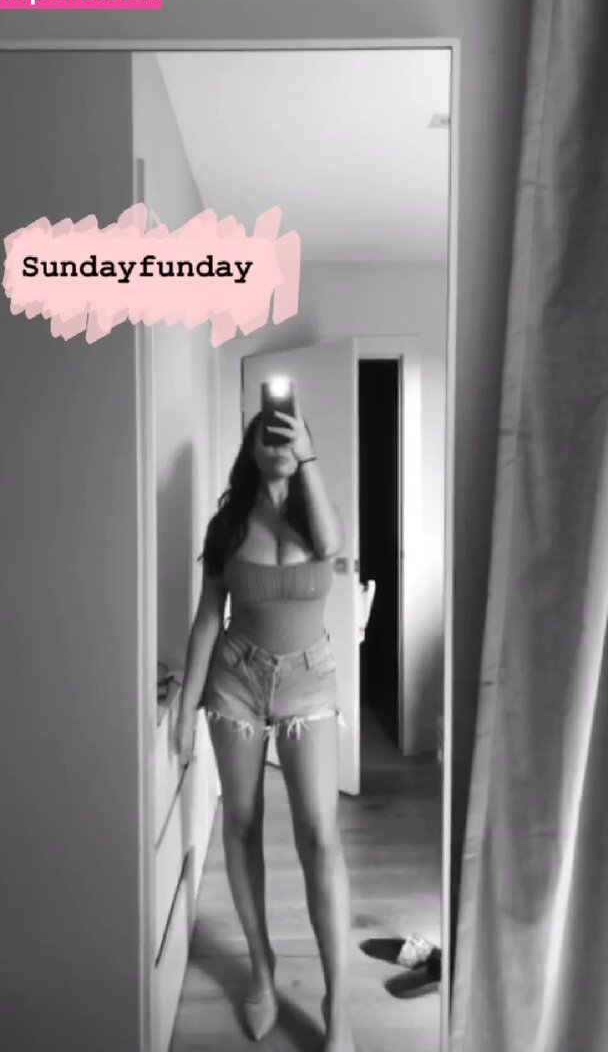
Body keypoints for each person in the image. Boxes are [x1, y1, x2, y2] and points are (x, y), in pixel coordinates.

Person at [174, 400, 356, 1052]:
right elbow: (207, 619)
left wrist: (308, 458)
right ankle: (260, 968)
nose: (278, 439)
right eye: (267, 432)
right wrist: (186, 709)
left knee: (320, 837)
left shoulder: (318, 514)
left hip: (310, 681)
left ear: (303, 442)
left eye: (290, 432)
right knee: (242, 821)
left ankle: (339, 1005)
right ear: (250, 447)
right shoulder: (228, 526)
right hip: (236, 680)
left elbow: (331, 548)